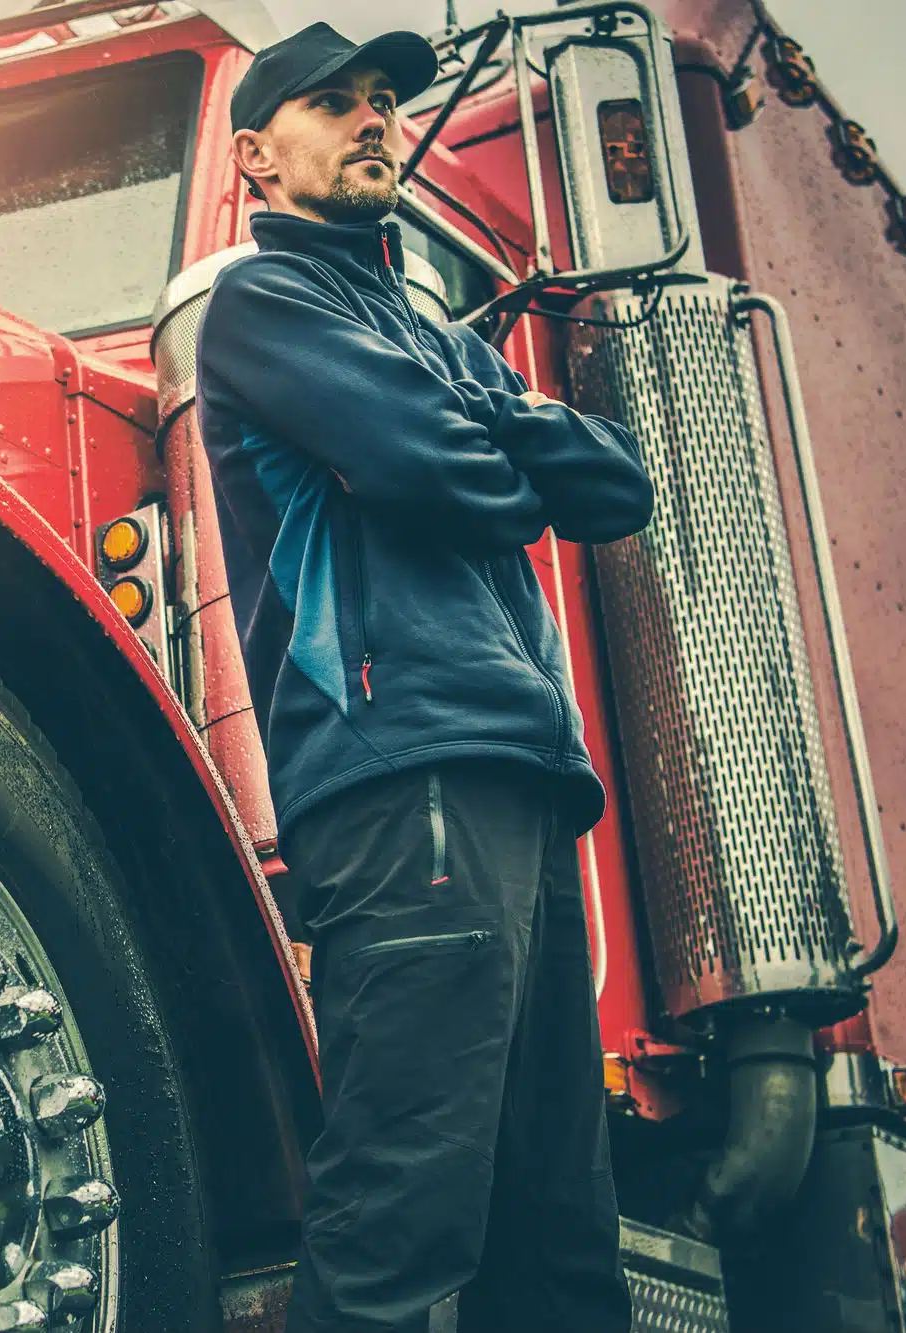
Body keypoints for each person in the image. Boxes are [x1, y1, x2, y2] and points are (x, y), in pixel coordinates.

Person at [194, 20, 655, 1333]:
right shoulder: (264, 305)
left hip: (515, 773)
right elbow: (444, 474)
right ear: (257, 159)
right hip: (406, 771)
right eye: (334, 105)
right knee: (407, 1202)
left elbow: (614, 482)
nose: (373, 120)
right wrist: (499, 437)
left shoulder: (433, 332)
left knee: (560, 1233)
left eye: (383, 101)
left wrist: (479, 425)